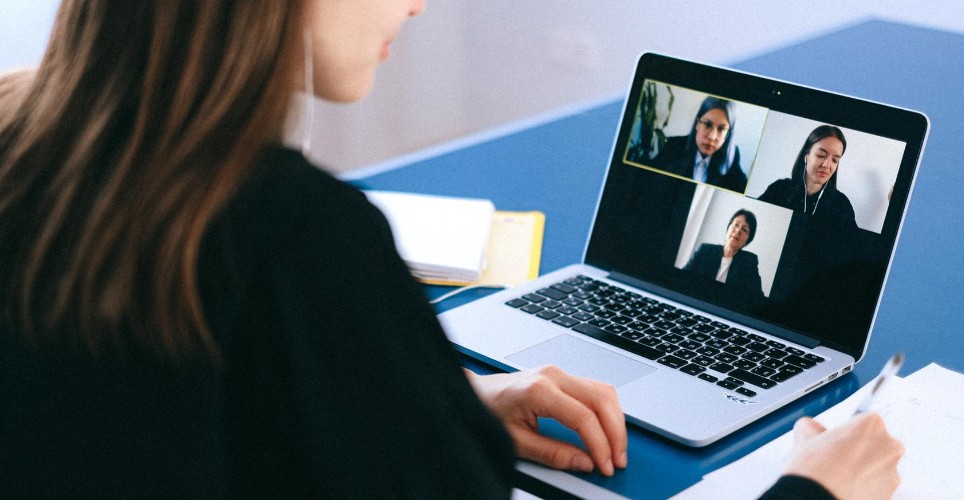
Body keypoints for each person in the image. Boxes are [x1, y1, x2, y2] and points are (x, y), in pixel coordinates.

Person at [0, 1, 903, 499]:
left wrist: (431, 397)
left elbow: (145, 403)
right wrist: (810, 496)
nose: (420, 3)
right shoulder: (300, 238)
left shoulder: (21, 135)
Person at [758, 125, 858, 230]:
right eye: (821, 155)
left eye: (835, 160)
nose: (827, 165)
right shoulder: (778, 190)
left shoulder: (841, 205)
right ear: (806, 155)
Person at [650, 96, 748, 192]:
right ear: (697, 124)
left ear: (728, 134)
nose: (712, 137)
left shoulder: (732, 156)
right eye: (707, 124)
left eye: (721, 129)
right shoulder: (675, 146)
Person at [684, 209, 765, 297]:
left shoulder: (749, 262)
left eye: (744, 230)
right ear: (728, 228)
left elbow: (757, 297)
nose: (738, 231)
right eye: (736, 225)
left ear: (748, 240)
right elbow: (683, 277)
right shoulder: (705, 250)